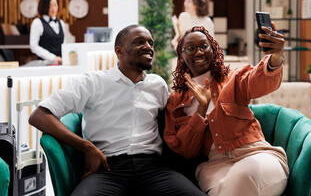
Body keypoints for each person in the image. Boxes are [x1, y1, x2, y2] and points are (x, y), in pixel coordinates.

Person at [29, 25, 207, 196]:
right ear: (119, 51)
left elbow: (173, 121)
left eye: (151, 43)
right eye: (139, 42)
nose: (148, 47)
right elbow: (39, 116)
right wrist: (87, 147)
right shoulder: (93, 82)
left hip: (154, 169)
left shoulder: (157, 85)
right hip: (108, 169)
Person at [164, 25, 289, 196]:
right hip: (215, 166)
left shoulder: (234, 79)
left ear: (213, 49)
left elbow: (260, 81)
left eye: (203, 46)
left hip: (257, 154)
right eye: (191, 48)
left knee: (241, 177)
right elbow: (185, 150)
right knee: (234, 185)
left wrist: (276, 56)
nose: (199, 52)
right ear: (181, 55)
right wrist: (201, 109)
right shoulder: (175, 101)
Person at [30, 0, 66, 65]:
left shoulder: (61, 23)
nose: (53, 9)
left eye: (55, 5)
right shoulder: (37, 23)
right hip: (44, 64)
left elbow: (64, 44)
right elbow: (33, 46)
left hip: (61, 63)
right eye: (50, 6)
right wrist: (52, 58)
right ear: (43, 7)